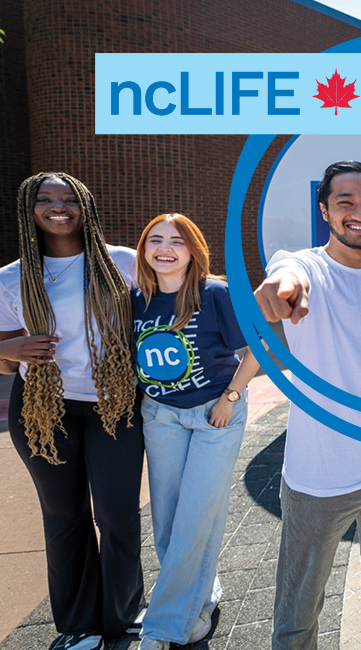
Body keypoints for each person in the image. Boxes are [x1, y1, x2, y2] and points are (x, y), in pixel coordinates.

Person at [253, 161, 361, 650]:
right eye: (345, 202)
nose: (359, 213)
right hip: (320, 477)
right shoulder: (305, 268)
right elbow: (286, 278)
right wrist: (282, 292)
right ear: (324, 209)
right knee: (300, 604)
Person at [0, 172, 143, 650]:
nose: (58, 206)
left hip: (114, 405)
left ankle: (123, 613)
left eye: (69, 198)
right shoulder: (8, 279)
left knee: (116, 514)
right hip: (43, 409)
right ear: (27, 209)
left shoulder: (123, 264)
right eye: (45, 199)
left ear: (86, 206)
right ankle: (80, 624)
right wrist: (13, 347)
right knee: (63, 514)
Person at [128, 213, 261, 650]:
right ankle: (198, 603)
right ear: (145, 248)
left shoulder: (214, 292)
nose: (165, 248)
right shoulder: (137, 298)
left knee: (194, 517)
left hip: (213, 416)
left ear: (193, 251)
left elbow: (257, 350)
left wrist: (232, 398)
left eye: (176, 241)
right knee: (166, 519)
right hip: (160, 416)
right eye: (156, 240)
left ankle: (162, 627)